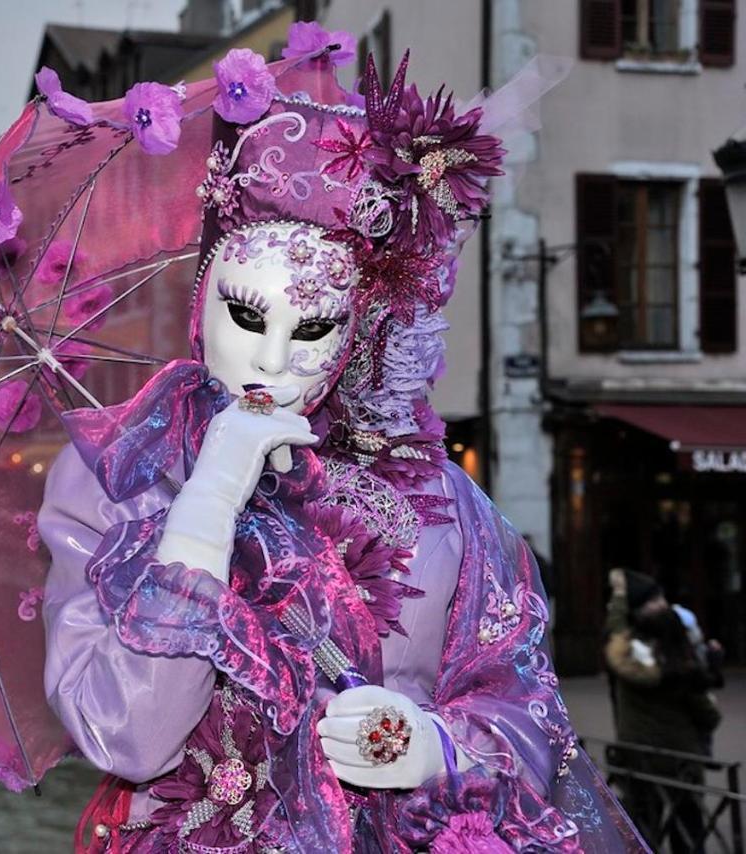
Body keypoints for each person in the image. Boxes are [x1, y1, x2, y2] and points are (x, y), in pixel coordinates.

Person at [38, 48, 645, 851]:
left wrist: (429, 747)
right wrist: (209, 502)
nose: (271, 359)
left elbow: (524, 704)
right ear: (201, 298)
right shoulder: (118, 477)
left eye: (313, 326)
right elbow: (130, 739)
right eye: (248, 317)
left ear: (356, 331)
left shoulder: (437, 501)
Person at [604, 569, 722, 852]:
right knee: (688, 822)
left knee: (644, 821)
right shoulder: (681, 666)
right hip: (679, 758)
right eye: (656, 600)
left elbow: (615, 629)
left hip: (636, 752)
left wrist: (618, 596)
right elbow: (708, 714)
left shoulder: (625, 652)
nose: (663, 604)